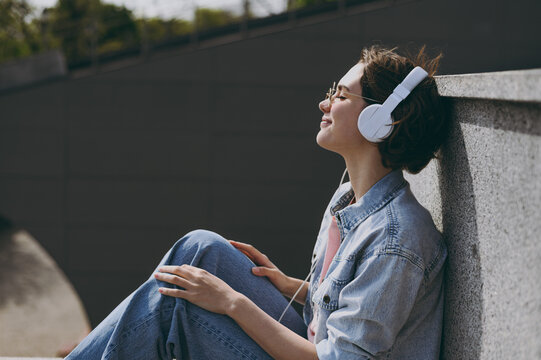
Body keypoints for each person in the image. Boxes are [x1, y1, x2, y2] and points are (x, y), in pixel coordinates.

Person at [66, 44, 449, 360]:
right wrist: (293, 288)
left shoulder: (397, 241)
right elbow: (351, 307)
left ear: (378, 121)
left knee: (175, 305)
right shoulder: (348, 199)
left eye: (341, 95)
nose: (324, 103)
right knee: (201, 247)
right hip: (311, 344)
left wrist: (233, 302)